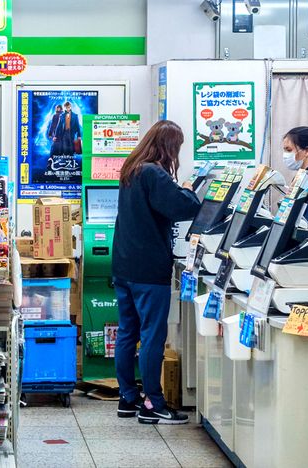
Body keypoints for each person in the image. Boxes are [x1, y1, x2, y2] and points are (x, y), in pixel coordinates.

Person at [112, 120, 201, 425]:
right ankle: (154, 403)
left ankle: (128, 398)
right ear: (168, 146)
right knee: (152, 335)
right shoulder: (153, 172)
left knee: (127, 333)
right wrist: (189, 190)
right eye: (177, 147)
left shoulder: (132, 167)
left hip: (124, 265)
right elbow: (182, 208)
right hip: (148, 269)